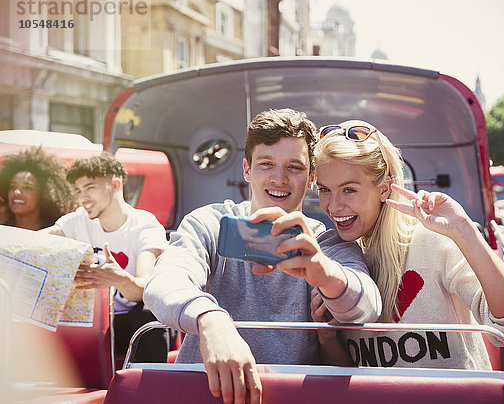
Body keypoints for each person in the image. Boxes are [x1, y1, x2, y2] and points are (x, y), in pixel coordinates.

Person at [143, 109, 381, 404]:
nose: (279, 178)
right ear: (247, 169)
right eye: (266, 164)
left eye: (294, 167)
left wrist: (324, 271)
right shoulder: (210, 223)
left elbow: (367, 308)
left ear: (311, 178)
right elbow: (164, 282)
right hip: (204, 393)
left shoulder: (326, 241)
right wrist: (212, 320)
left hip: (290, 397)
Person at [310, 120, 504, 370]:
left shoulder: (434, 243)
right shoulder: (340, 268)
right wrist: (327, 337)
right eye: (324, 190)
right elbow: (349, 378)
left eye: (349, 190)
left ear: (384, 189)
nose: (333, 206)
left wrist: (463, 230)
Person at [43, 152, 169, 363]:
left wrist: (118, 279)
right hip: (86, 320)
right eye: (78, 191)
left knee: (148, 318)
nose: (83, 198)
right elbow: (37, 240)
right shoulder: (78, 220)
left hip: (128, 320)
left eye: (90, 188)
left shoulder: (144, 225)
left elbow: (142, 289)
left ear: (115, 184)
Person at [0, 146, 75, 230]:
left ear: (44, 194)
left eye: (27, 187)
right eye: (13, 187)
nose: (17, 192)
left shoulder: (58, 230)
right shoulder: (3, 230)